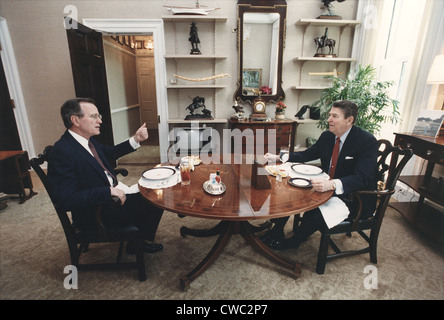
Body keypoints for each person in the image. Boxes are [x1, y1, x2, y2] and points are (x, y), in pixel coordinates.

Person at [47, 98, 164, 254]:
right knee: (155, 197)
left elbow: (108, 154)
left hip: (109, 197)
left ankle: (138, 239)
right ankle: (137, 243)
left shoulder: (86, 141)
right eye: (94, 116)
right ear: (75, 120)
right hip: (96, 213)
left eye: (99, 116)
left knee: (156, 186)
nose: (100, 121)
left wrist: (135, 140)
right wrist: (107, 191)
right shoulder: (63, 152)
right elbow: (65, 200)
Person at [263, 100, 378, 250]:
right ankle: (276, 231)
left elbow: (363, 177)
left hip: (354, 197)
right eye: (330, 115)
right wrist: (278, 157)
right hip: (326, 187)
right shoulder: (328, 136)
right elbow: (306, 154)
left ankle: (294, 241)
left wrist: (331, 184)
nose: (329, 119)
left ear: (349, 120)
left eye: (334, 116)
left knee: (315, 211)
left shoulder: (366, 141)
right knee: (289, 190)